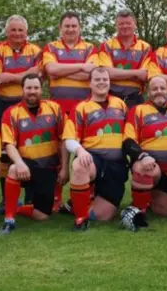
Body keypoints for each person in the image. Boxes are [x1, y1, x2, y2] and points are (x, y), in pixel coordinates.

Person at [0, 74, 69, 235]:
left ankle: (19, 208)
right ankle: (9, 219)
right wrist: (19, 163)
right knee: (13, 169)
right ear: (22, 89)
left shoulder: (54, 108)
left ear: (41, 89)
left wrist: (65, 168)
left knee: (42, 216)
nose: (32, 91)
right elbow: (9, 144)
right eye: (28, 88)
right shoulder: (11, 113)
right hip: (26, 165)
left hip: (48, 168)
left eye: (36, 88)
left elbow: (63, 140)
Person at [0, 15, 42, 212]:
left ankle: (30, 199)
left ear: (26, 32)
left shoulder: (35, 50)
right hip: (4, 105)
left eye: (21, 30)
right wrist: (26, 75)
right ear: (7, 32)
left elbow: (38, 77)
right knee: (4, 153)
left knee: (30, 148)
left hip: (28, 103)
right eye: (13, 30)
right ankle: (7, 200)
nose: (17, 34)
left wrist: (10, 77)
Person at [63, 68, 128, 231]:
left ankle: (77, 203)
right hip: (94, 158)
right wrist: (80, 151)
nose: (101, 82)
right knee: (79, 165)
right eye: (97, 79)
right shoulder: (81, 107)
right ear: (89, 83)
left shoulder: (120, 104)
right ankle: (80, 218)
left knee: (103, 216)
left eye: (105, 79)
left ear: (109, 82)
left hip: (116, 163)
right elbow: (69, 139)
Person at [123, 77, 167, 217]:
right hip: (149, 164)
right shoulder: (138, 110)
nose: (159, 91)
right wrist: (142, 156)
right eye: (154, 89)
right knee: (144, 168)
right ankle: (138, 210)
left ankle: (150, 197)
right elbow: (128, 140)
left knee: (166, 212)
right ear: (148, 93)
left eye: (162, 88)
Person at [41, 11, 101, 115]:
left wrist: (59, 73)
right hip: (56, 110)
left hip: (84, 110)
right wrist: (82, 66)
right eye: (67, 26)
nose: (70, 29)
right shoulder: (51, 47)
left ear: (79, 27)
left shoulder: (90, 48)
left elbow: (88, 75)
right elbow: (51, 70)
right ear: (60, 28)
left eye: (74, 26)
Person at [98, 9, 158, 108]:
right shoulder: (107, 45)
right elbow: (107, 73)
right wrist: (135, 73)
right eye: (121, 24)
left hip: (135, 99)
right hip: (109, 98)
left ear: (135, 24)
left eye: (128, 23)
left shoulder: (145, 47)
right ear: (116, 26)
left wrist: (116, 73)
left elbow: (144, 75)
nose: (125, 26)